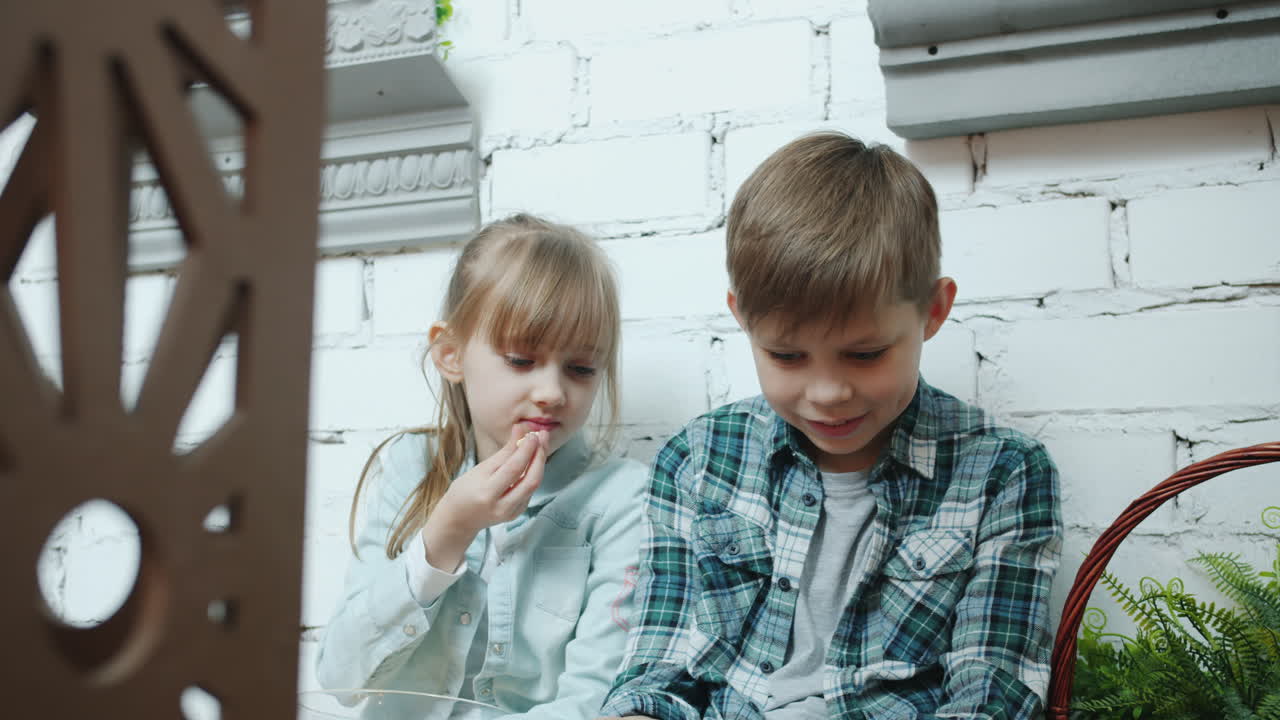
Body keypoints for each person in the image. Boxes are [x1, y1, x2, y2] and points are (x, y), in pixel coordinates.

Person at [598, 133, 1063, 719]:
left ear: (933, 312)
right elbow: (660, 661)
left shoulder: (1003, 474)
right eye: (787, 357)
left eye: (865, 355)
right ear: (742, 318)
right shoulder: (697, 459)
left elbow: (993, 687)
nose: (827, 395)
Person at [317, 214, 647, 720]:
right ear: (450, 355)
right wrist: (447, 532)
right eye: (521, 360)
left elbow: (595, 699)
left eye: (581, 369)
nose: (553, 392)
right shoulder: (411, 468)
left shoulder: (622, 499)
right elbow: (340, 677)